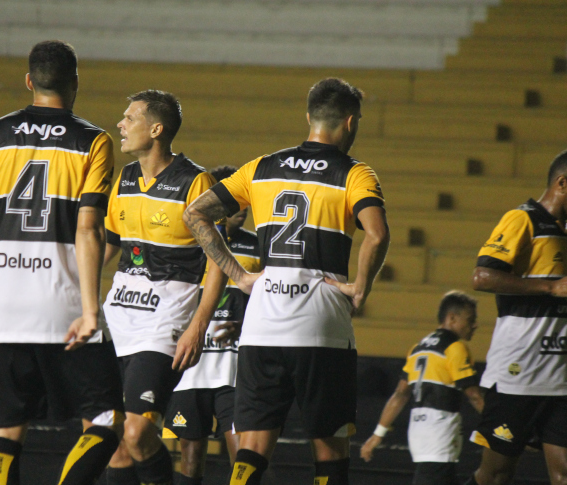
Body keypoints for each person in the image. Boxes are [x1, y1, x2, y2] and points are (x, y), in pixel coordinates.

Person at [183, 77, 390, 485]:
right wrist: (361, 287)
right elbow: (377, 234)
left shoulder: (261, 166)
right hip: (321, 324)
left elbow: (194, 214)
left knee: (251, 449)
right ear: (350, 122)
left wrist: (239, 275)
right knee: (328, 448)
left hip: (262, 322)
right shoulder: (354, 173)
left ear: (309, 117)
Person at [0, 40, 125, 485]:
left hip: (5, 306)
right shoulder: (93, 140)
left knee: (6, 428)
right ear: (76, 84)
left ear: (29, 81)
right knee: (105, 418)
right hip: (63, 304)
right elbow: (89, 230)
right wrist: (90, 311)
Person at [102, 90, 227, 485]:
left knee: (138, 434)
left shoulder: (196, 182)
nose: (120, 124)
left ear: (156, 129)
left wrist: (198, 325)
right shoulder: (123, 179)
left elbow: (218, 262)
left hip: (163, 326)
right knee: (116, 442)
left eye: (129, 117)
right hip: (117, 320)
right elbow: (108, 244)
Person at [464, 149, 567, 485]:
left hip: (561, 378)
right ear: (562, 183)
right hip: (517, 375)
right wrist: (551, 287)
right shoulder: (523, 219)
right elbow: (482, 277)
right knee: (495, 475)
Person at [162, 165, 260, 484]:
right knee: (190, 452)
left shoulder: (258, 247)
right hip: (192, 360)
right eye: (231, 205)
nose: (239, 211)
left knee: (244, 452)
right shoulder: (183, 243)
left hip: (235, 363)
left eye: (241, 205)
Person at [360, 290, 484, 485]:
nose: (474, 324)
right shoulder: (454, 348)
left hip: (418, 429)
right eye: (470, 319)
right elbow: (474, 395)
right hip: (440, 431)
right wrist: (498, 427)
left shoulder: (418, 348)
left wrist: (378, 434)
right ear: (451, 318)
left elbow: (400, 394)